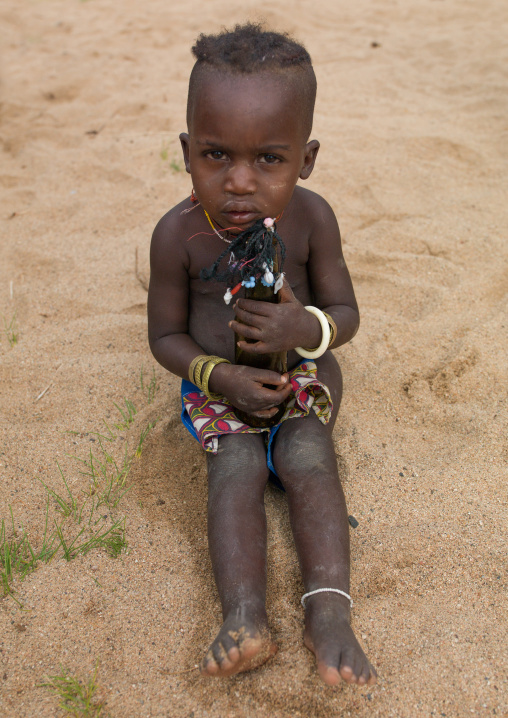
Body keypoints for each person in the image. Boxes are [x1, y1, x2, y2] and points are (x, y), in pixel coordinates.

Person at [148, 23, 377, 687]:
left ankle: (330, 616)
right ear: (188, 152)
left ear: (304, 160)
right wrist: (221, 376)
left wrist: (302, 327)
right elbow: (165, 338)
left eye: (269, 160)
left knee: (308, 459)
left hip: (301, 378)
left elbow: (345, 315)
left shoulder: (312, 220)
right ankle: (244, 616)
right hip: (220, 390)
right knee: (237, 467)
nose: (240, 182)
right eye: (217, 156)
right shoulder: (178, 237)